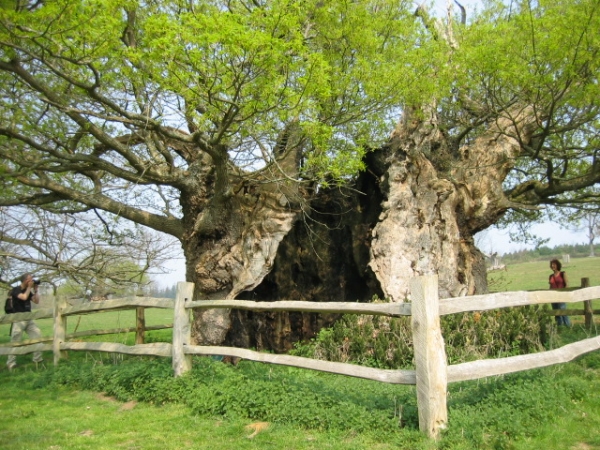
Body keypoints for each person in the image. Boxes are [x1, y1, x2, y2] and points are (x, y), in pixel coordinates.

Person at [6, 273, 43, 370]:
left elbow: (36, 301)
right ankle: (11, 363)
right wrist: (29, 288)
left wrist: (35, 290)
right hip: (19, 318)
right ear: (25, 280)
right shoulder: (15, 290)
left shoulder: (29, 291)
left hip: (29, 317)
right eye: (30, 279)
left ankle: (37, 360)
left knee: (37, 336)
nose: (32, 281)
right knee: (15, 340)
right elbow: (23, 297)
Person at [549, 259, 571, 327]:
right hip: (553, 297)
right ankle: (559, 327)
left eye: (554, 264)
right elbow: (550, 286)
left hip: (561, 296)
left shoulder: (562, 273)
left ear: (558, 265)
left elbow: (567, 284)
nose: (553, 266)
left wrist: (565, 294)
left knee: (563, 311)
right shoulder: (551, 276)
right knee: (556, 312)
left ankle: (568, 326)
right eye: (552, 264)